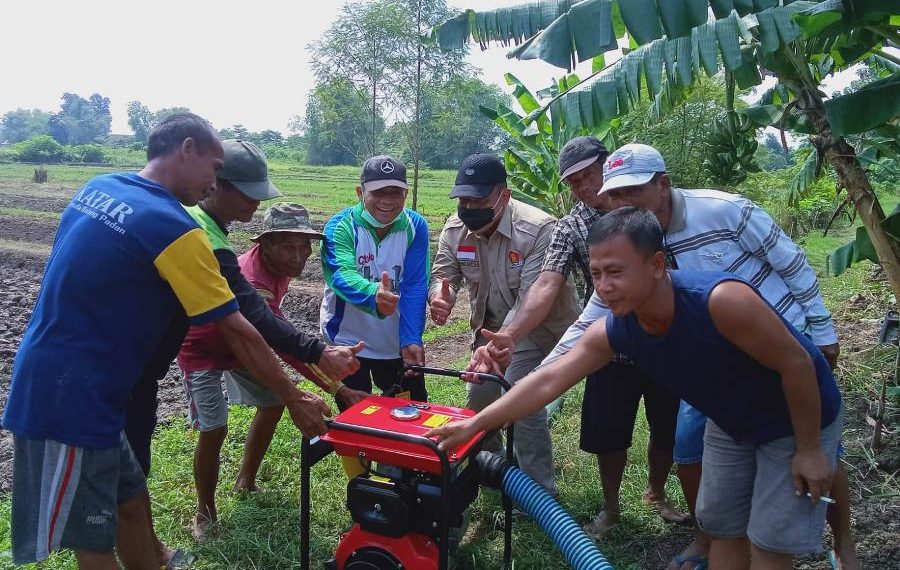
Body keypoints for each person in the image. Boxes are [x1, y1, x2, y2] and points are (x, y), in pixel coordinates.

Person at [484, 143, 856, 570]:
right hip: (711, 373)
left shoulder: (722, 214)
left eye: (629, 193)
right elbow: (580, 331)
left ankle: (838, 540)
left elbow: (790, 264)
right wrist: (501, 383)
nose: (616, 202)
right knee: (697, 459)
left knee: (806, 469)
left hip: (774, 351)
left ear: (663, 185)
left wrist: (823, 331)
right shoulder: (624, 246)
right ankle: (709, 536)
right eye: (613, 195)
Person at [1, 114, 330, 569]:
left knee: (131, 499)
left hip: (101, 384)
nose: (214, 183)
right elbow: (238, 326)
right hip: (70, 390)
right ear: (187, 150)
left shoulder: (100, 188)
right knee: (93, 537)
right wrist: (292, 396)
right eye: (214, 168)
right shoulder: (176, 230)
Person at [477, 137, 684, 536]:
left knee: (667, 425)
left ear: (610, 166)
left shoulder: (651, 210)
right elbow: (546, 282)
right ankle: (610, 507)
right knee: (609, 432)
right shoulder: (572, 226)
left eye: (590, 174)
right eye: (573, 181)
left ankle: (656, 492)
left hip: (666, 339)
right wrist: (511, 333)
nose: (584, 186)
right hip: (609, 342)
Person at [177, 141, 364, 540]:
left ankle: (245, 479)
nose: (298, 256)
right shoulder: (251, 276)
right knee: (214, 426)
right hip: (205, 349)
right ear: (264, 243)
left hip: (243, 344)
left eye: (304, 247)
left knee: (277, 399)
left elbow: (269, 339)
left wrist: (330, 385)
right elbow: (277, 340)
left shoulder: (278, 266)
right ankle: (204, 513)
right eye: (288, 246)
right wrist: (337, 386)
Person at [428, 153, 580, 494]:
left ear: (504, 196)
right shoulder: (455, 231)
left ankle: (538, 491)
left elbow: (532, 298)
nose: (469, 208)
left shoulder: (539, 229)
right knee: (480, 396)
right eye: (464, 200)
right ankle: (491, 466)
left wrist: (504, 340)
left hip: (539, 331)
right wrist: (441, 296)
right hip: (492, 329)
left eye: (479, 201)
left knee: (519, 398)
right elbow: (443, 275)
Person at [320, 155, 430, 409]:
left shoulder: (415, 226)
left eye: (396, 193)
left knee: (409, 407)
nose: (388, 201)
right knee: (357, 415)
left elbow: (414, 284)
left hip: (395, 341)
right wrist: (373, 295)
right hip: (347, 340)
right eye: (379, 192)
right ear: (361, 192)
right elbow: (340, 275)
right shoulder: (341, 226)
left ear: (406, 193)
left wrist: (411, 338)